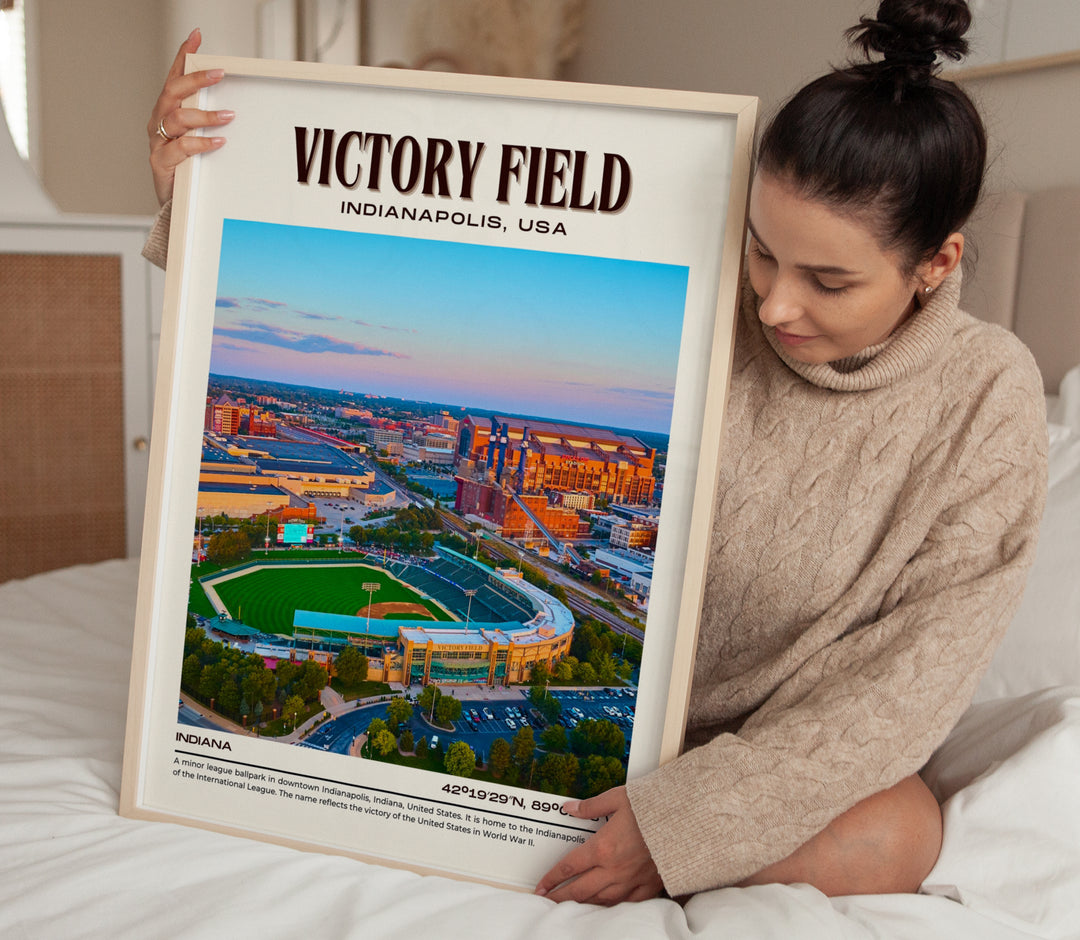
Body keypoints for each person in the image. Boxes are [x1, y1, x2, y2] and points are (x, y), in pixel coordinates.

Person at [145, 0, 1047, 906]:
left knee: (900, 834)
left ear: (936, 263)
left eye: (829, 280)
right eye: (765, 254)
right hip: (616, 720)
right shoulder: (708, 298)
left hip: (771, 758)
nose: (773, 305)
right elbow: (457, 257)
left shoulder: (986, 398)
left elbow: (908, 689)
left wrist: (687, 825)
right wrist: (204, 196)